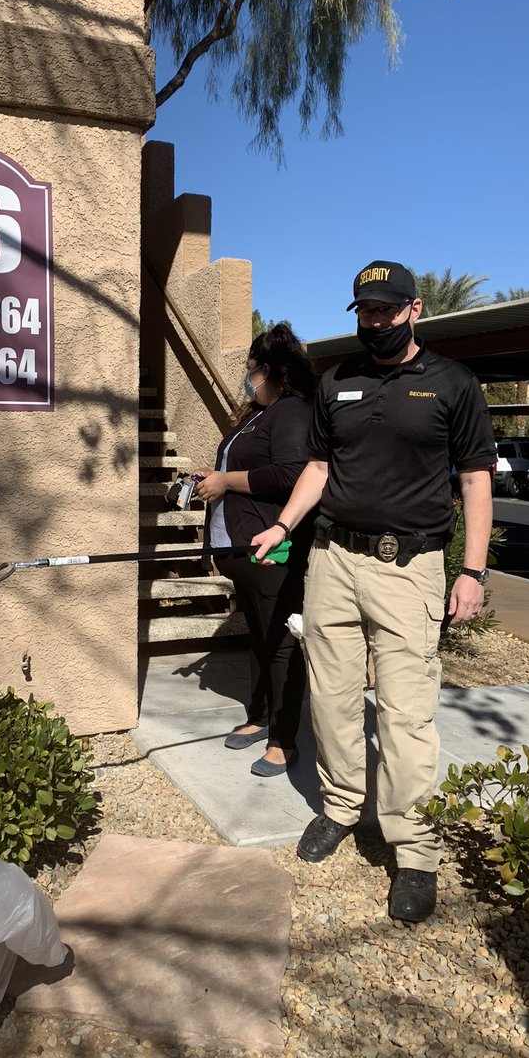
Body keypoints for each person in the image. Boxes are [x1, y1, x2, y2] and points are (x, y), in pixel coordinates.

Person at [252, 261, 496, 920]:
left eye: (387, 310)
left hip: (408, 567)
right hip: (332, 560)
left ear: (414, 310)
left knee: (405, 712)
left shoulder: (452, 383)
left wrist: (471, 572)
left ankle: (414, 851)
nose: (375, 321)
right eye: (365, 311)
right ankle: (339, 806)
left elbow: (475, 480)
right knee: (330, 700)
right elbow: (320, 468)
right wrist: (283, 523)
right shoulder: (338, 384)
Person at [192, 324, 315, 777]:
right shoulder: (256, 415)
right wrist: (215, 474)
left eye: (250, 371)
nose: (248, 380)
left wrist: (226, 481)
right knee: (259, 639)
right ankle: (258, 716)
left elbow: (290, 475)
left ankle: (284, 740)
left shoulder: (292, 413)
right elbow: (249, 468)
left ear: (269, 370)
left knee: (281, 643)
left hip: (272, 550)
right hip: (241, 549)